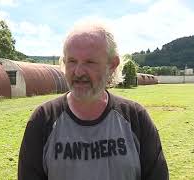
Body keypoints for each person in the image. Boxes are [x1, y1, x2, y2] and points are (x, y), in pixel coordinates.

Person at [18, 21, 168, 180]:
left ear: (112, 65)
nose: (78, 71)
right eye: (72, 61)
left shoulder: (135, 118)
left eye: (90, 62)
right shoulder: (43, 120)